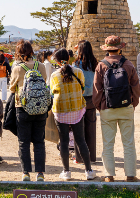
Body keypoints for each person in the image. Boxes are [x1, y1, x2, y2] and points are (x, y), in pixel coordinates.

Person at [92, 36, 140, 183]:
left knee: (108, 143)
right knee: (128, 143)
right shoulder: (128, 65)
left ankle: (109, 175)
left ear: (107, 49)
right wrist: (132, 104)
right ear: (120, 48)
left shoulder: (101, 65)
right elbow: (136, 87)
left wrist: (100, 106)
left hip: (107, 108)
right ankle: (131, 175)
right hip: (126, 108)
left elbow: (97, 90)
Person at [49, 48, 96, 181]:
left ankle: (66, 172)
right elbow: (81, 88)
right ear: (69, 58)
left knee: (63, 141)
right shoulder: (78, 72)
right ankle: (88, 171)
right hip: (77, 109)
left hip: (61, 110)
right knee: (80, 140)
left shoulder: (54, 75)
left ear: (57, 61)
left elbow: (53, 91)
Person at [9, 40, 49, 182]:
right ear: (32, 52)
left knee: (23, 142)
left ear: (18, 53)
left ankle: (25, 172)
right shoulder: (42, 66)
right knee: (39, 141)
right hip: (40, 108)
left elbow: (12, 88)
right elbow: (44, 81)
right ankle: (40, 173)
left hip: (23, 108)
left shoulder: (18, 68)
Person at [72, 40, 98, 164]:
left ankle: (80, 157)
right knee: (91, 128)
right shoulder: (95, 63)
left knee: (79, 129)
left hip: (79, 99)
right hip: (92, 99)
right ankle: (92, 157)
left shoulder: (76, 64)